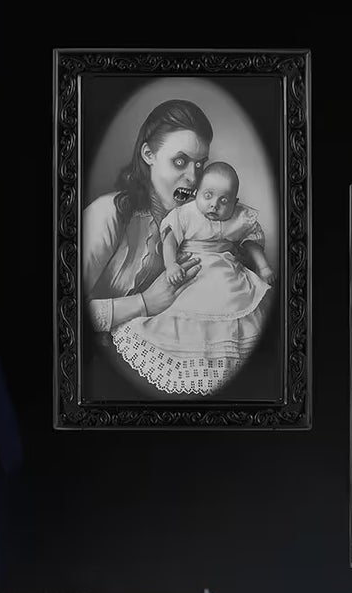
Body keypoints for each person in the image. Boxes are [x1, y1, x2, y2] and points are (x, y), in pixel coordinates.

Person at [80, 99, 213, 395]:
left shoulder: (193, 226)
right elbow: (63, 313)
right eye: (180, 161)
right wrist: (144, 303)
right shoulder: (109, 214)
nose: (193, 177)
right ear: (148, 154)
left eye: (200, 164)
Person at [111, 159, 274, 395]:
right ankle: (190, 361)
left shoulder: (239, 217)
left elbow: (251, 243)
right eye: (208, 195)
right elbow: (170, 240)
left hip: (227, 274)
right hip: (192, 269)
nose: (214, 205)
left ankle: (223, 365)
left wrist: (264, 267)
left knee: (234, 310)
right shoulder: (185, 214)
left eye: (224, 200)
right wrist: (171, 265)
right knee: (186, 312)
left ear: (235, 202)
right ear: (196, 192)